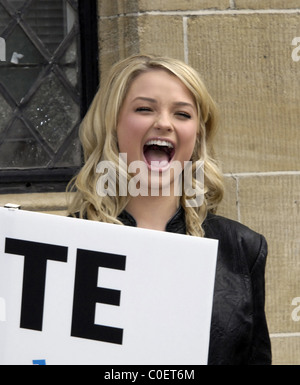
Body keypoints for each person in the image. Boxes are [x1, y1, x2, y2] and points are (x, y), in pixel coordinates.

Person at [68, 54, 272, 365]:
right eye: (144, 109)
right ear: (112, 125)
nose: (163, 123)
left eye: (182, 114)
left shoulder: (242, 249)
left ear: (197, 134)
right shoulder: (63, 244)